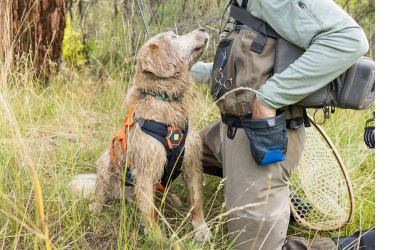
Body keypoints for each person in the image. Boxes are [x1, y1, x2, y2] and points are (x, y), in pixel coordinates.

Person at [191, 0, 369, 249]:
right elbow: (245, 67)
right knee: (186, 151)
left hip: (262, 136)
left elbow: (348, 40)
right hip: (230, 130)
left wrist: (269, 98)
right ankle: (286, 204)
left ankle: (362, 244)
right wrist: (183, 69)